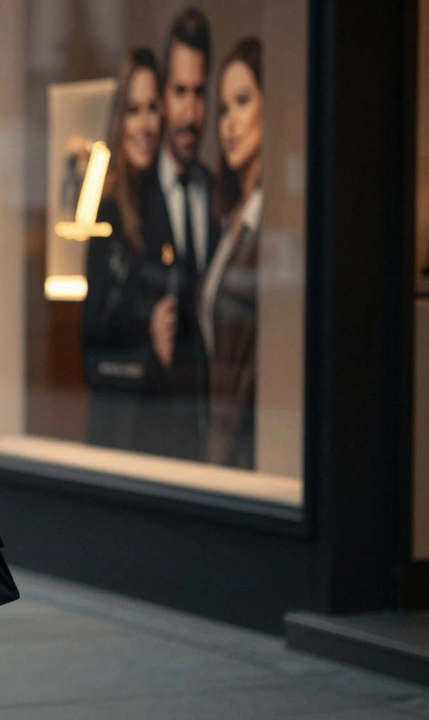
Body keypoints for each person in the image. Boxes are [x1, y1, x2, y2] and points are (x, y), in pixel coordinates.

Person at [134, 7, 221, 461]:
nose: (190, 113)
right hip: (149, 433)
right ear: (164, 95)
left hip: (211, 427)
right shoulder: (135, 200)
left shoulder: (218, 191)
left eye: (200, 94)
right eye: (180, 92)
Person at [83, 48, 169, 451]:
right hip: (118, 411)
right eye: (134, 110)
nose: (145, 124)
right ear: (120, 120)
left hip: (161, 409)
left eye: (153, 107)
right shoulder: (108, 206)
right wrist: (147, 320)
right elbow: (94, 324)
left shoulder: (165, 198)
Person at [202, 38, 263, 469]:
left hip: (248, 447)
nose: (230, 123)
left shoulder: (270, 221)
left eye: (242, 101)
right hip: (221, 442)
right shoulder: (231, 219)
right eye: (223, 109)